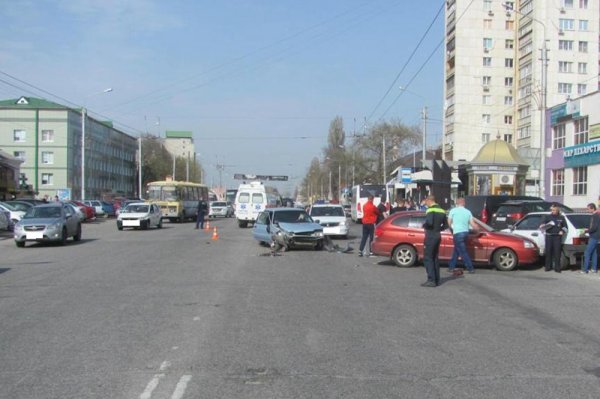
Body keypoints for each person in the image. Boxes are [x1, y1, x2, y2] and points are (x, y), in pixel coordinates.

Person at [421, 195, 448, 287]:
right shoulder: (441, 210)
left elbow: (429, 222)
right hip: (437, 235)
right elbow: (446, 226)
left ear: (429, 200)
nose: (426, 204)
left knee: (428, 258)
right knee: (435, 258)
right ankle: (437, 279)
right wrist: (438, 229)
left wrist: (424, 225)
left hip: (430, 236)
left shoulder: (430, 210)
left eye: (426, 202)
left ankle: (431, 280)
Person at [447, 197, 478, 274]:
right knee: (457, 250)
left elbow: (449, 222)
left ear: (457, 203)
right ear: (464, 203)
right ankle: (451, 266)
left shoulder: (453, 211)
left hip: (457, 232)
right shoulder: (468, 212)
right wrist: (477, 230)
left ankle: (470, 268)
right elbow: (472, 224)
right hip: (465, 233)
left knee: (462, 251)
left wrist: (451, 229)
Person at [539, 204, 568, 273]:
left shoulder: (561, 217)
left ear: (557, 210)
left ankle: (557, 268)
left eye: (554, 210)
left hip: (557, 237)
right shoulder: (548, 217)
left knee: (557, 252)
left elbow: (566, 227)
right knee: (548, 252)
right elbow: (542, 224)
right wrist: (542, 225)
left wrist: (562, 231)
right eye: (552, 210)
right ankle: (548, 267)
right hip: (549, 236)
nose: (553, 211)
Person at [581, 203, 599, 274]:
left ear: (592, 208)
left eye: (588, 209)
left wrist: (587, 230)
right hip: (595, 235)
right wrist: (588, 229)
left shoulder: (595, 216)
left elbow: (594, 227)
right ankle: (594, 269)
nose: (587, 210)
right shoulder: (595, 215)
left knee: (587, 252)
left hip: (594, 236)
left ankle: (585, 269)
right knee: (594, 253)